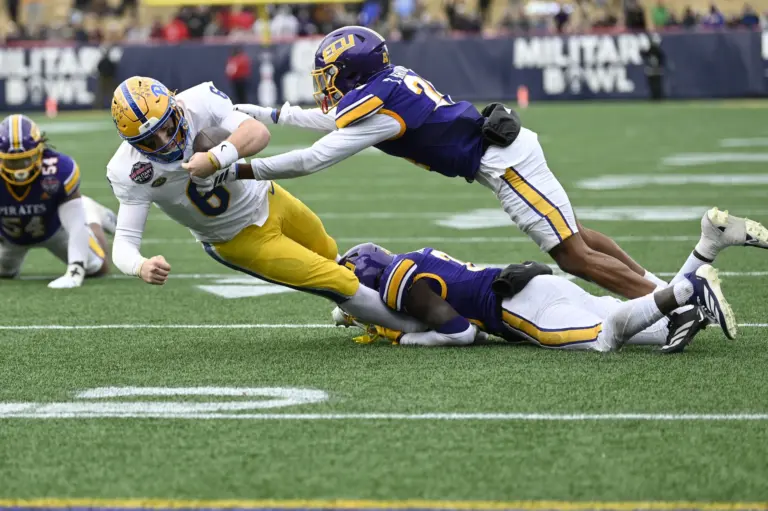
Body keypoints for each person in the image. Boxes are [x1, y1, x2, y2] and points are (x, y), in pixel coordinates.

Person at [184, 25, 768, 304]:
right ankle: (665, 288)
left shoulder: (385, 112)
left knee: (570, 254)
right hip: (505, 153)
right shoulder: (384, 88)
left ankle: (673, 299)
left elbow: (316, 158)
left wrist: (239, 167)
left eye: (332, 76)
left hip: (501, 161)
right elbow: (328, 120)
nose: (327, 86)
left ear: (356, 72)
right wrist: (267, 111)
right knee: (576, 237)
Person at [107, 76, 424, 334]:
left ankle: (359, 313)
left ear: (176, 105)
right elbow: (123, 244)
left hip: (270, 198)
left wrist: (217, 158)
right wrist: (140, 266)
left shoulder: (200, 99)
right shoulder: (130, 171)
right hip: (236, 239)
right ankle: (411, 329)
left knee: (332, 254)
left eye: (167, 125)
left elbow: (257, 132)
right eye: (151, 141)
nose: (166, 140)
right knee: (338, 281)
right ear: (133, 144)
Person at [332, 238, 737, 353]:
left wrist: (403, 337)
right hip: (536, 284)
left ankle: (688, 287)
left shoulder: (396, 281)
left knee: (604, 340)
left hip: (520, 308)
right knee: (660, 330)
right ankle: (705, 249)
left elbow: (461, 334)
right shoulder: (410, 260)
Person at [0, 114, 114, 288]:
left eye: (26, 159)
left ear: (40, 151)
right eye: (13, 163)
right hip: (11, 237)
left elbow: (75, 224)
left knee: (98, 268)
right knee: (5, 274)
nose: (20, 170)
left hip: (55, 228)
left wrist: (75, 270)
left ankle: (91, 214)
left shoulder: (58, 169)